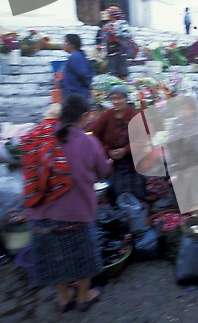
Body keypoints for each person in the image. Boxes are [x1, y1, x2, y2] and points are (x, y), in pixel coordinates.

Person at [25, 95, 111, 313]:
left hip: (42, 213)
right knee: (83, 256)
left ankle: (63, 298)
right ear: (84, 116)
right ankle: (84, 296)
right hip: (77, 213)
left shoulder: (43, 136)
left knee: (56, 257)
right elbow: (104, 171)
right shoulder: (88, 141)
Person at [90, 85, 146, 201]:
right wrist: (107, 150)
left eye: (119, 98)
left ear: (126, 99)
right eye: (113, 99)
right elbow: (95, 135)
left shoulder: (135, 115)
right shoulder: (106, 116)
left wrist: (125, 149)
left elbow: (144, 138)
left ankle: (135, 211)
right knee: (115, 192)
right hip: (113, 162)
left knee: (135, 192)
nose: (116, 102)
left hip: (132, 162)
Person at [59, 34, 93, 102]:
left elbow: (84, 74)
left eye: (66, 42)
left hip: (77, 94)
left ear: (72, 45)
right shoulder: (77, 55)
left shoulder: (75, 57)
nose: (63, 44)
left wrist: (90, 86)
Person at [103, 6, 131, 80]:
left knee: (122, 71)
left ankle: (123, 85)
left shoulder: (122, 23)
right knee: (112, 71)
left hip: (120, 50)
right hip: (111, 51)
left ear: (113, 14)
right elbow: (104, 38)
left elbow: (126, 35)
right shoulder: (107, 25)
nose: (106, 15)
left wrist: (115, 34)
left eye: (108, 13)